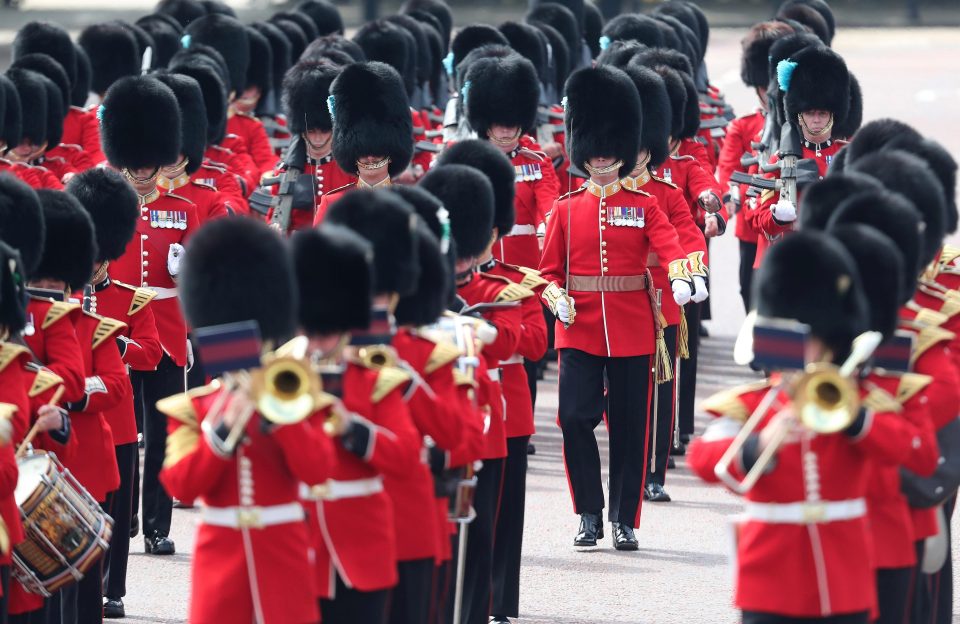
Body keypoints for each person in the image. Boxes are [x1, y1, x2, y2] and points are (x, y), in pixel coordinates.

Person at [538, 64, 691, 550]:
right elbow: (546, 273)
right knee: (574, 418)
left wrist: (685, 273)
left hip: (630, 327)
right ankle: (588, 512)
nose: (602, 161)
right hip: (579, 328)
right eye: (594, 153)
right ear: (582, 152)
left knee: (629, 427)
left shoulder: (644, 204)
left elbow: (667, 243)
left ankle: (625, 518)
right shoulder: (565, 208)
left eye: (609, 153)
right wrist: (556, 297)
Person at [159, 217, 332, 624]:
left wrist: (278, 416)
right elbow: (180, 483)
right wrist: (220, 432)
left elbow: (318, 468)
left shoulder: (294, 395)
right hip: (220, 561)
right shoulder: (195, 408)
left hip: (284, 556)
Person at [99, 75, 200, 556]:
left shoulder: (182, 209)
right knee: (123, 434)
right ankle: (125, 519)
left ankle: (158, 524)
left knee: (162, 434)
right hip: (117, 331)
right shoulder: (107, 204)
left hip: (168, 331)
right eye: (135, 165)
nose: (142, 173)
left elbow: (194, 272)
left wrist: (187, 268)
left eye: (148, 165)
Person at [66, 168, 163, 619]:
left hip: (119, 420)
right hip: (75, 416)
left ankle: (114, 588)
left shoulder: (131, 298)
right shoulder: (61, 300)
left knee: (116, 513)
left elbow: (151, 354)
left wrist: (118, 344)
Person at [616, 64, 708, 503]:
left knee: (660, 387)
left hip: (663, 297)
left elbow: (688, 233)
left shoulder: (667, 193)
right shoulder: (605, 194)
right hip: (616, 300)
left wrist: (693, 269)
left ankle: (654, 473)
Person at [311, 61, 414, 225]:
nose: (370, 157)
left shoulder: (409, 202)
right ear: (352, 155)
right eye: (363, 152)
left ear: (391, 155)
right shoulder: (333, 203)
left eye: (378, 151)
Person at [260, 60, 355, 233]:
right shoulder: (284, 173)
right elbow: (274, 216)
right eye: (311, 130)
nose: (318, 138)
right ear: (301, 129)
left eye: (325, 130)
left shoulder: (351, 170)